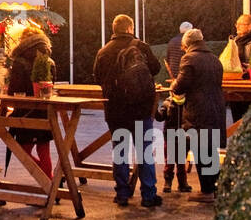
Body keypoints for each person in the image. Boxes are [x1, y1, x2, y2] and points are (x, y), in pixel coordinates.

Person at [93, 14, 162, 208]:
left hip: (115, 110)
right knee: (145, 151)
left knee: (120, 152)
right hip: (140, 108)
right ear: (130, 28)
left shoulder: (104, 51)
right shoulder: (141, 47)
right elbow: (155, 69)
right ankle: (148, 194)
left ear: (114, 29)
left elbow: (97, 77)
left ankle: (122, 193)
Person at [169, 28, 226, 201]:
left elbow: (181, 85)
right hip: (216, 108)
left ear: (187, 44)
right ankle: (215, 189)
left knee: (201, 151)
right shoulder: (215, 59)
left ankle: (207, 191)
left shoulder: (189, 58)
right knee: (211, 150)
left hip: (198, 111)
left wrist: (173, 84)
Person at [6, 26, 57, 179]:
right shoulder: (49, 60)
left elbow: (14, 89)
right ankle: (51, 183)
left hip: (25, 111)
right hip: (45, 110)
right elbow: (51, 84)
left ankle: (49, 182)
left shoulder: (20, 61)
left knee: (23, 150)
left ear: (24, 41)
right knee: (44, 150)